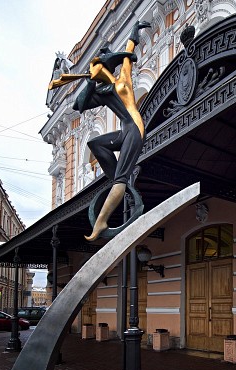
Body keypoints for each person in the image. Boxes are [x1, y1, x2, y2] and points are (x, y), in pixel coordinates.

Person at [71, 21, 150, 241]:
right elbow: (78, 105)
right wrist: (89, 83)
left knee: (120, 179)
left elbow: (129, 51)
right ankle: (121, 182)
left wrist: (134, 31)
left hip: (134, 129)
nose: (95, 70)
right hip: (124, 131)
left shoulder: (123, 78)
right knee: (94, 144)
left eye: (98, 66)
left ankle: (102, 220)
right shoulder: (103, 93)